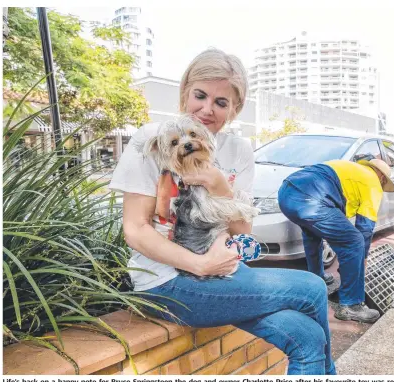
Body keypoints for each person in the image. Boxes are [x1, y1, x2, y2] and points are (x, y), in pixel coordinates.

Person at [109, 49, 336, 375]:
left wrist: (220, 186)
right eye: (200, 96)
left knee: (307, 336)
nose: (207, 109)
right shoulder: (153, 139)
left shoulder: (239, 150)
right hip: (164, 283)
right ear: (185, 90)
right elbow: (135, 228)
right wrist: (200, 264)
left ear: (235, 108)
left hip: (224, 273)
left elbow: (242, 232)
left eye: (221, 102)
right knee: (313, 288)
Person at [278, 158, 394, 324]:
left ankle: (316, 277)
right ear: (382, 178)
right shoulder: (373, 182)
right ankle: (351, 305)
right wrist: (362, 258)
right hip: (310, 199)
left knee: (312, 233)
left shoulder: (353, 170)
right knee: (354, 241)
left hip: (286, 193)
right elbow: (365, 228)